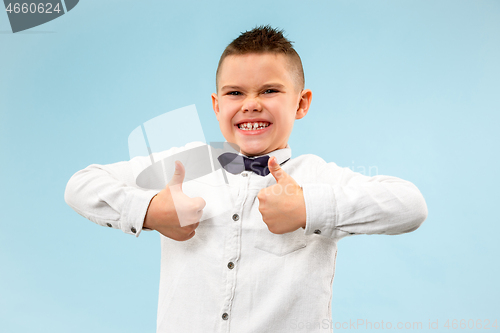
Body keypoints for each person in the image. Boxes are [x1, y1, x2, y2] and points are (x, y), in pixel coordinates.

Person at [65, 25, 428, 333]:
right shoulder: (186, 163)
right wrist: (149, 211)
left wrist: (308, 207)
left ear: (301, 104)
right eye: (235, 92)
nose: (251, 104)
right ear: (216, 105)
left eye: (269, 91)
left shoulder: (316, 176)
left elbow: (410, 205)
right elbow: (81, 185)